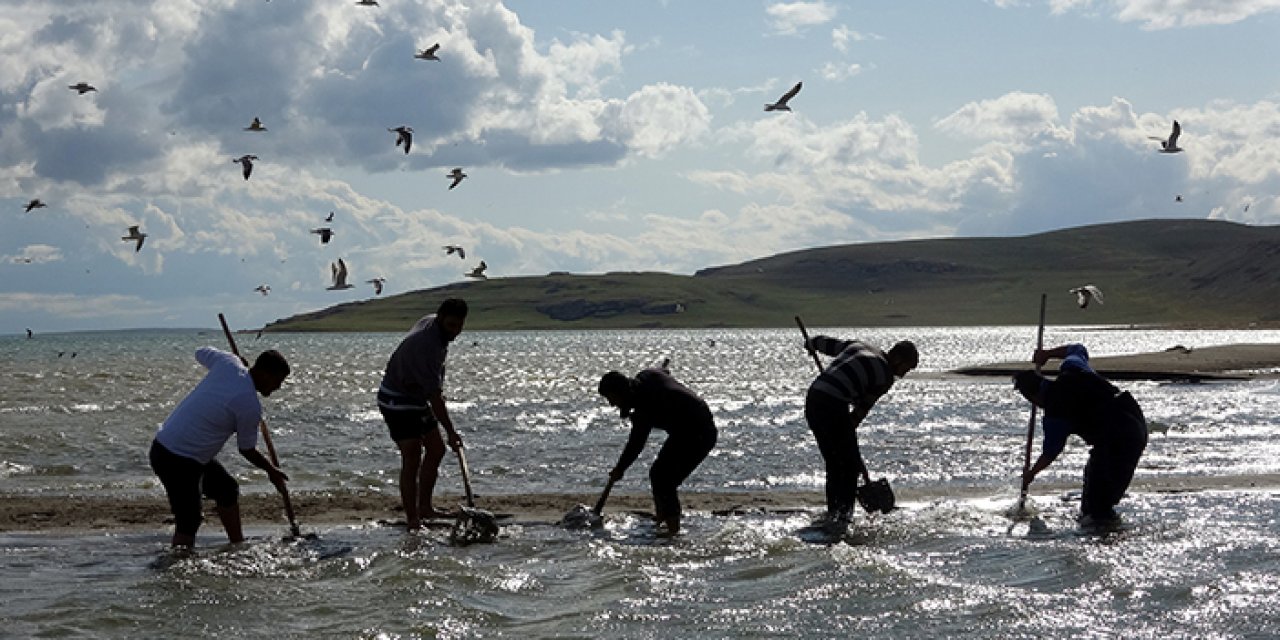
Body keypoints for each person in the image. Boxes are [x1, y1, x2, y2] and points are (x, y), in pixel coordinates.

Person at [149, 347, 291, 548]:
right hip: (176, 458)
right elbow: (247, 449)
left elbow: (200, 352)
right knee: (189, 520)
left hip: (180, 452)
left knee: (227, 489)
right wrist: (271, 471)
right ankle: (176, 568)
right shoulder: (249, 405)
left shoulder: (228, 364)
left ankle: (237, 545)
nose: (278, 387)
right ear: (263, 373)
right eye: (278, 380)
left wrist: (233, 359)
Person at [1015, 343, 1148, 526]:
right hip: (1132, 417)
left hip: (1119, 438)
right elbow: (1076, 349)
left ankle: (1102, 534)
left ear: (1032, 398)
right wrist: (1047, 354)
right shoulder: (1072, 369)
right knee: (1096, 485)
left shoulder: (1055, 413)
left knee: (1097, 507)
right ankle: (1101, 526)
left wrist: (1031, 473)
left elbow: (1051, 452)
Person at [803, 335, 918, 523]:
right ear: (897, 359)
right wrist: (851, 445)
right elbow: (859, 412)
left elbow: (823, 343)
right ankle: (842, 517)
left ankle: (835, 513)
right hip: (832, 403)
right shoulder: (885, 376)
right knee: (847, 467)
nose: (903, 375)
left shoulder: (859, 346)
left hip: (814, 398)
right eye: (905, 368)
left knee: (834, 462)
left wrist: (811, 345)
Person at [377, 298, 468, 530]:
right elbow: (435, 399)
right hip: (396, 399)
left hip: (416, 396)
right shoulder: (425, 345)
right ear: (439, 319)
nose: (455, 332)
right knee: (412, 456)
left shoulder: (434, 327)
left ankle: (425, 507)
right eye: (450, 326)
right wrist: (451, 432)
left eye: (459, 326)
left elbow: (434, 385)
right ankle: (413, 520)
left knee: (436, 449)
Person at [597, 364, 717, 536]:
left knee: (663, 479)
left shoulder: (644, 407)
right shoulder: (648, 375)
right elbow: (662, 371)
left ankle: (672, 531)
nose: (611, 404)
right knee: (658, 474)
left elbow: (636, 444)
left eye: (612, 398)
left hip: (699, 434)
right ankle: (662, 519)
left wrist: (620, 469)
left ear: (623, 392)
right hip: (685, 431)